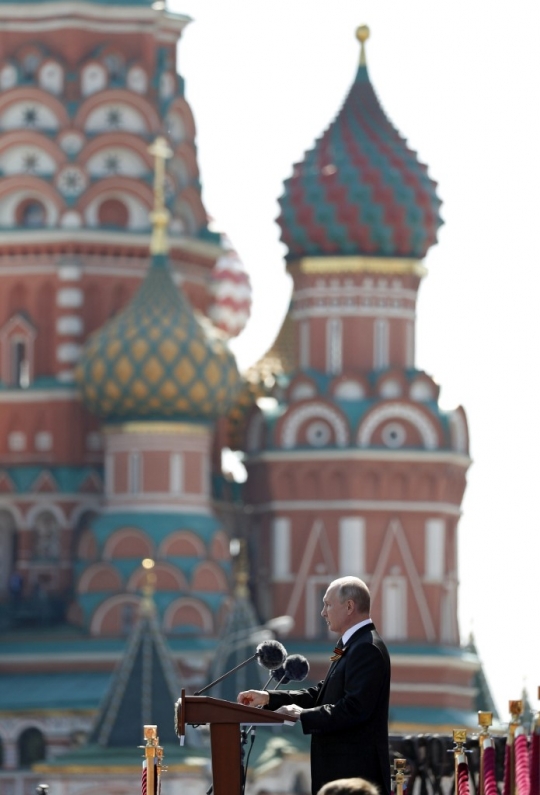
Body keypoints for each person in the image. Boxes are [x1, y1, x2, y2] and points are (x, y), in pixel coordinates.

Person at [237, 576, 391, 795]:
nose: (323, 612)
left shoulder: (367, 648)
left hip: (353, 779)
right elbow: (322, 692)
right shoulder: (347, 645)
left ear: (349, 606)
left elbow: (354, 709)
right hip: (339, 775)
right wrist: (269, 698)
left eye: (328, 604)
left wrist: (303, 714)